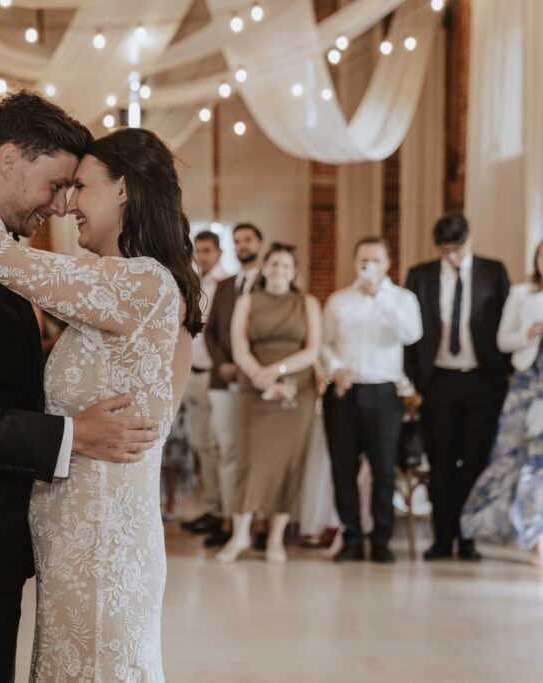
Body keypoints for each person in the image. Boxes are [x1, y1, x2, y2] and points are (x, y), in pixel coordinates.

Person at [0, 92, 170, 682]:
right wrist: (72, 434)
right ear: (12, 159)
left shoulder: (8, 257)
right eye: (56, 183)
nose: (61, 204)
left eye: (76, 187)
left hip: (20, 542)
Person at [405, 213, 511, 561]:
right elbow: (411, 334)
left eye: (458, 248)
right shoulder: (419, 276)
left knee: (475, 462)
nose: (452, 256)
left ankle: (468, 538)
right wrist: (414, 382)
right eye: (445, 250)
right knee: (441, 461)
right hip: (439, 380)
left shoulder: (493, 272)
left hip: (483, 380)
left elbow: (504, 323)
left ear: (471, 239)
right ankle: (442, 537)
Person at [216, 243, 321, 564]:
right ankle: (240, 535)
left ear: (295, 271)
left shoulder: (307, 303)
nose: (279, 270)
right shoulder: (248, 300)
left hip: (295, 389)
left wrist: (277, 371)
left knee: (288, 463)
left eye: (286, 265)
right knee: (249, 460)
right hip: (254, 386)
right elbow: (239, 346)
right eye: (274, 264)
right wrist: (259, 375)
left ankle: (276, 538)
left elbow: (312, 350)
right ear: (265, 268)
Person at [322, 237, 423, 563]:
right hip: (344, 393)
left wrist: (380, 297)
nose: (369, 265)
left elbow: (411, 334)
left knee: (383, 468)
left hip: (384, 392)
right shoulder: (339, 300)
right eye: (364, 259)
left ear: (388, 263)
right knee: (343, 467)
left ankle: (381, 539)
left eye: (376, 260)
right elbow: (323, 344)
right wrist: (335, 367)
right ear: (354, 262)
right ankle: (351, 537)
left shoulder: (402, 299)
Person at [462, 241, 543, 568]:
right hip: (526, 385)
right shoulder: (521, 294)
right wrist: (529, 332)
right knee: (509, 458)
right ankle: (510, 528)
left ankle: (537, 537)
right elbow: (502, 341)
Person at [191, 223, 264, 548]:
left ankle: (258, 521)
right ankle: (228, 518)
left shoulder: (270, 280)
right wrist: (225, 364)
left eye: (247, 240)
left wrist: (250, 367)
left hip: (257, 380)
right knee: (222, 449)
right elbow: (211, 331)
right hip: (220, 377)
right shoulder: (222, 286)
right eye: (239, 240)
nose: (242, 245)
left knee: (255, 451)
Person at [177, 231, 227, 526]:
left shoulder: (226, 285)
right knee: (200, 445)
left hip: (214, 375)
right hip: (191, 373)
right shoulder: (195, 283)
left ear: (219, 253)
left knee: (215, 445)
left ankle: (223, 512)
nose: (202, 256)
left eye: (208, 251)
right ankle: (212, 507)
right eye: (199, 251)